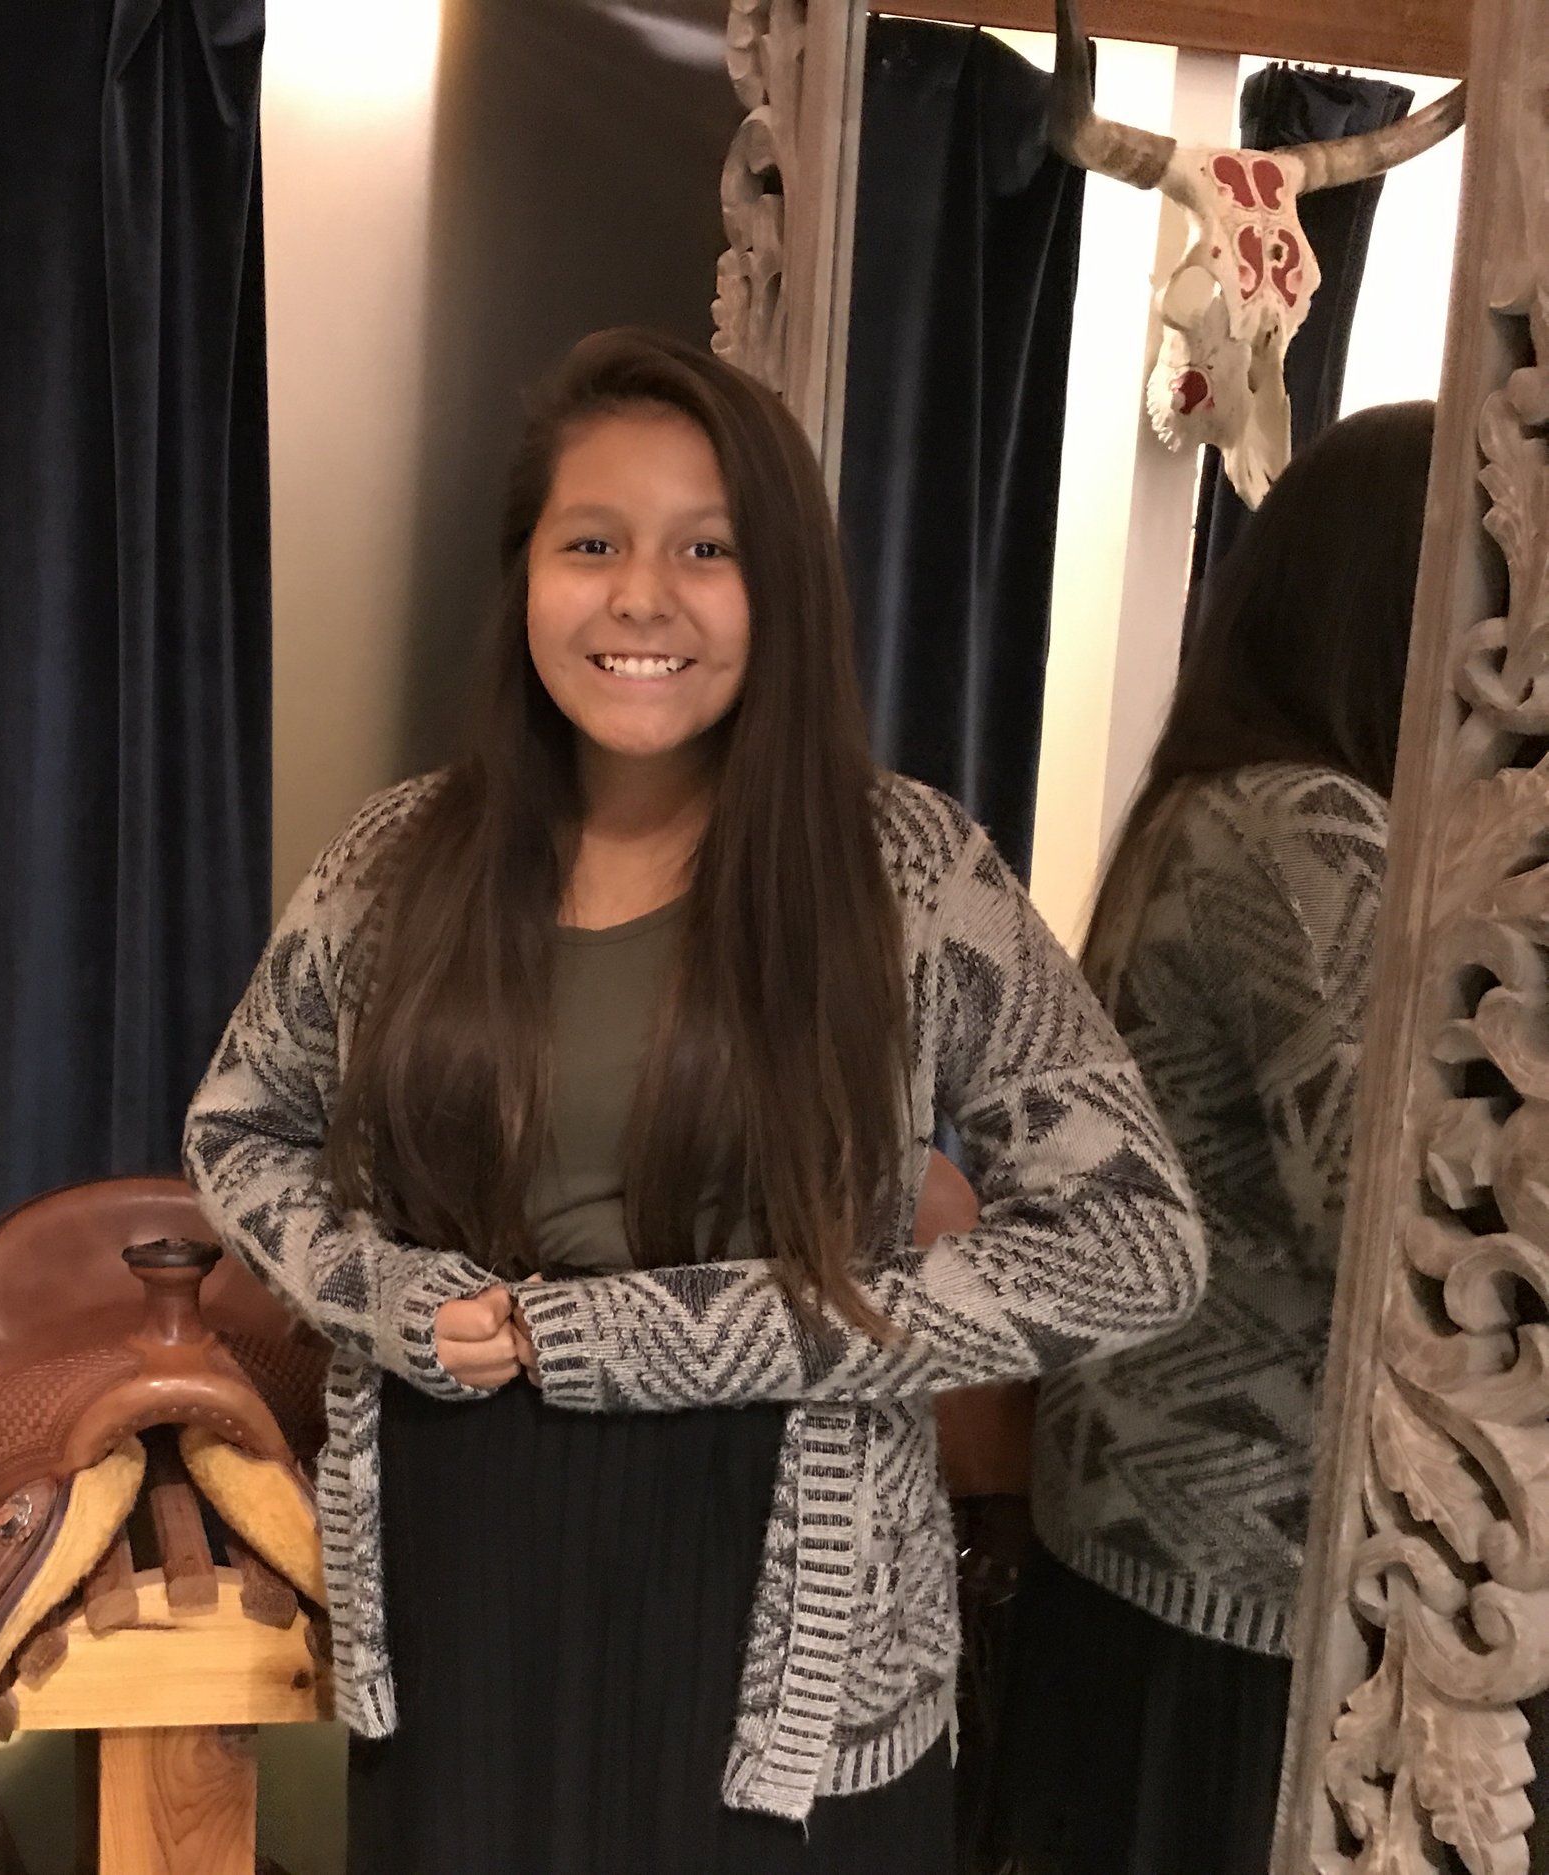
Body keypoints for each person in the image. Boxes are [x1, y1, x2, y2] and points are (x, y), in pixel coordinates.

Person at [182, 327, 1205, 1875]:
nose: (641, 597)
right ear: (525, 574)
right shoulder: (400, 858)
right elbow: (239, 1130)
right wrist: (377, 1294)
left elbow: (1136, 1242)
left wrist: (692, 1330)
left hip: (788, 1601)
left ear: (780, 589)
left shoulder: (905, 873)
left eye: (707, 550)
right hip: (463, 1565)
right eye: (591, 543)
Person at [1000, 400, 1436, 1875]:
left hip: (1155, 1543)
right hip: (1236, 1573)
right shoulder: (1307, 829)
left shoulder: (1217, 804)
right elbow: (1388, 1216)